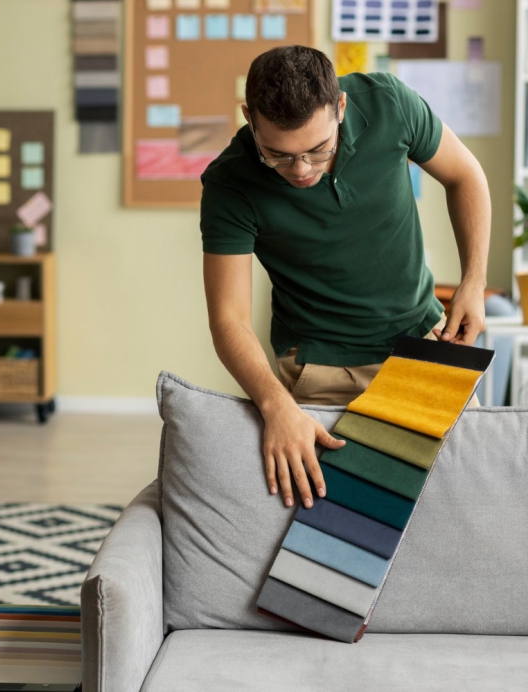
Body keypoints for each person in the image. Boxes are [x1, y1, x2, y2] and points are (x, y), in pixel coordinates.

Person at [201, 46, 490, 511]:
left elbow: (466, 176)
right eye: (277, 154)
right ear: (249, 118)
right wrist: (276, 407)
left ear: (340, 107)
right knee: (337, 527)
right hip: (320, 366)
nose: (300, 170)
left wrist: (472, 282)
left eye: (317, 150)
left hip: (424, 341)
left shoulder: (389, 104)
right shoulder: (229, 184)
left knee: (470, 498)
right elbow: (228, 318)